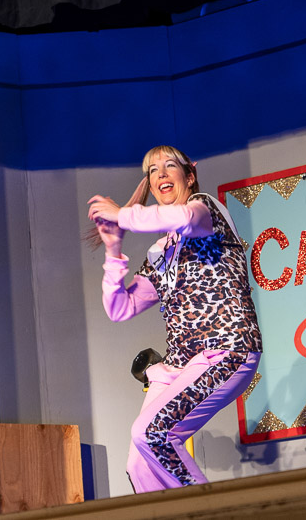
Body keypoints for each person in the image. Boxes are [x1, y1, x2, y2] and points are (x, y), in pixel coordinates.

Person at [87, 145, 263, 493]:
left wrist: (123, 215)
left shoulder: (205, 210)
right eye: (153, 171)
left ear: (190, 175)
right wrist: (113, 249)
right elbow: (120, 308)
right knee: (139, 463)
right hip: (181, 363)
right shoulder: (161, 252)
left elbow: (183, 219)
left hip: (227, 349)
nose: (162, 174)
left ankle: (214, 510)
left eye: (170, 166)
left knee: (152, 433)